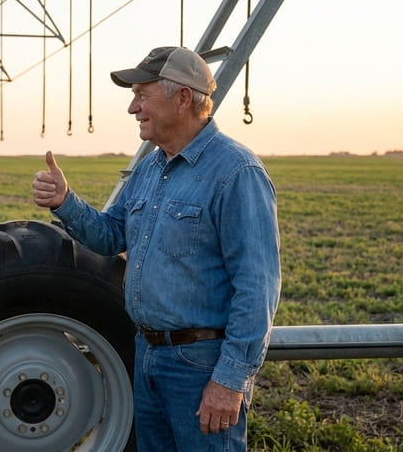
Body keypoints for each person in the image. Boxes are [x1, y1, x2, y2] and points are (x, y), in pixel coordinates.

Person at [32, 46, 280, 451]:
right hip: (147, 353)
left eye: (142, 95)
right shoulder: (151, 167)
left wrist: (229, 380)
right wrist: (65, 202)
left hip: (200, 365)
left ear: (182, 98)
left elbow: (258, 287)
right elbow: (112, 235)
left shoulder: (237, 172)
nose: (133, 108)